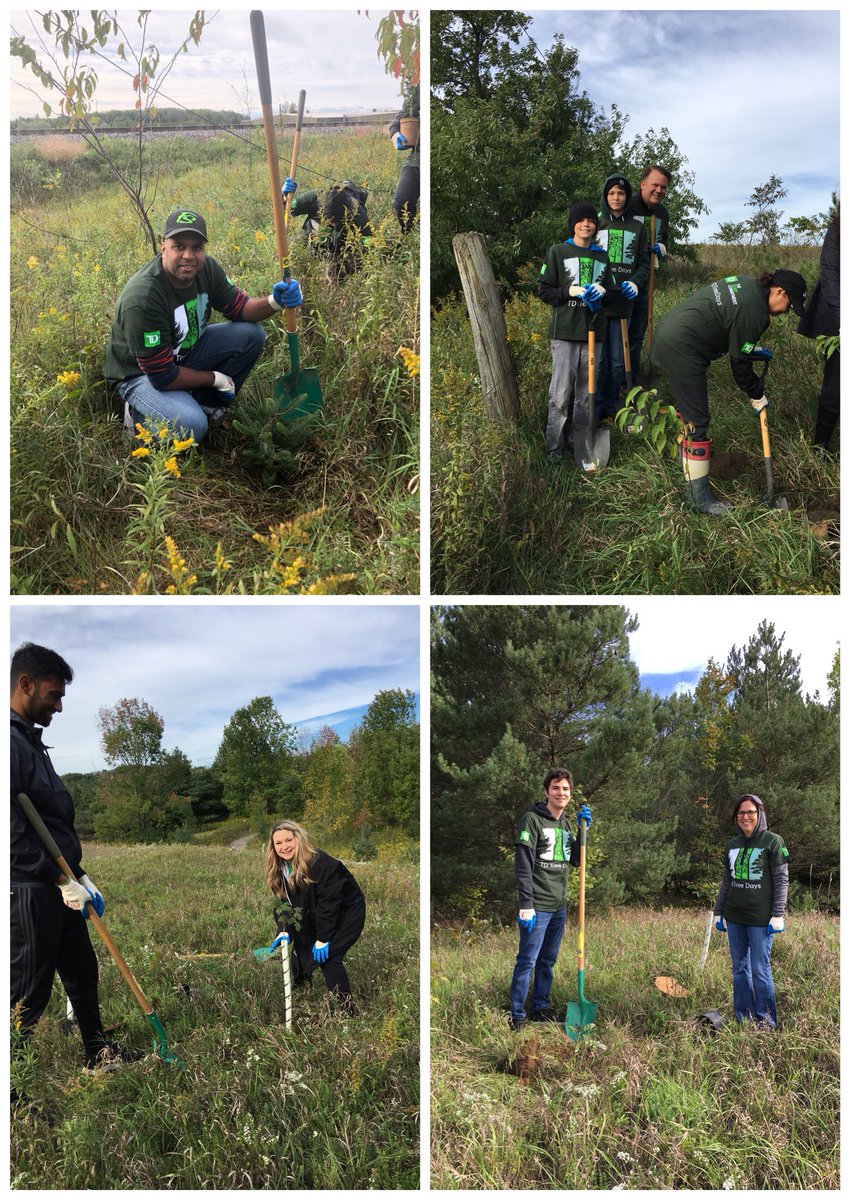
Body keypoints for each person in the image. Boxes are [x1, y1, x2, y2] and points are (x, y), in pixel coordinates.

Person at [10, 642, 143, 1085]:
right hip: (29, 888)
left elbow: (52, 821)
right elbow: (10, 835)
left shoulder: (32, 744)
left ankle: (97, 1049)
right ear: (24, 685)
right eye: (53, 695)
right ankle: (11, 1088)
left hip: (61, 883)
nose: (60, 706)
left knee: (83, 971)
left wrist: (80, 875)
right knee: (28, 990)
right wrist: (55, 877)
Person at [105, 207, 304, 444]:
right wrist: (215, 378)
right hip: (140, 374)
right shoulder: (143, 297)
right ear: (163, 247)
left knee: (251, 335)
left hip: (182, 353)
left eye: (196, 247)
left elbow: (240, 308)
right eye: (179, 246)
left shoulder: (206, 269)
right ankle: (137, 416)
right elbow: (161, 375)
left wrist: (275, 302)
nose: (189, 255)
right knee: (192, 427)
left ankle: (206, 404)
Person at [649, 269, 808, 514]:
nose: (787, 311)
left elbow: (726, 325)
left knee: (688, 411)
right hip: (683, 348)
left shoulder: (745, 284)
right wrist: (756, 393)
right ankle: (698, 499)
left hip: (670, 333)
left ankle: (687, 465)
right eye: (789, 304)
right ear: (779, 291)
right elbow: (740, 368)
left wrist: (751, 350)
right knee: (697, 421)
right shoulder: (755, 313)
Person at [509, 767, 592, 1030]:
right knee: (528, 960)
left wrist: (583, 830)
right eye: (556, 787)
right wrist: (526, 905)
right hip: (537, 906)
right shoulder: (531, 820)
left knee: (548, 960)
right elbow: (523, 865)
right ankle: (517, 1015)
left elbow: (576, 860)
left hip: (558, 906)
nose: (561, 792)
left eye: (566, 788)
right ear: (546, 791)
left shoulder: (567, 824)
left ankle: (540, 1008)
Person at [538, 202, 614, 465]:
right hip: (565, 334)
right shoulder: (558, 252)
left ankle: (579, 447)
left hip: (595, 335)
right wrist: (568, 291)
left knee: (585, 395)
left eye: (591, 221)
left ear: (596, 226)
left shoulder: (602, 257)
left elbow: (612, 294)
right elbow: (544, 290)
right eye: (581, 220)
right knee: (560, 396)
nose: (586, 225)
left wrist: (604, 293)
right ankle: (553, 450)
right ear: (573, 224)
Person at [265, 819, 366, 1013]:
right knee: (300, 946)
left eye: (289, 840)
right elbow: (284, 905)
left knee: (329, 958)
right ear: (273, 846)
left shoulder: (319, 862)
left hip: (346, 912)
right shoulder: (279, 870)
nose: (284, 847)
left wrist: (323, 938)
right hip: (315, 911)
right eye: (279, 843)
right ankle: (303, 989)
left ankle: (348, 1012)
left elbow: (330, 902)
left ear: (298, 839)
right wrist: (284, 930)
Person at [713, 794, 790, 1030]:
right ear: (736, 818)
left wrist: (778, 913)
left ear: (760, 815)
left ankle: (766, 1022)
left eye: (751, 812)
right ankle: (743, 1018)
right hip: (735, 916)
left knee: (760, 970)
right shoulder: (731, 845)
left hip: (760, 919)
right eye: (741, 813)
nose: (746, 816)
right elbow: (727, 881)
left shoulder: (773, 841)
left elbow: (782, 879)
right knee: (739, 969)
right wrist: (719, 911)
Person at [595, 173, 650, 418]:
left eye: (621, 193)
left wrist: (636, 283)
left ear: (627, 197)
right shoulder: (596, 224)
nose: (616, 198)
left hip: (623, 304)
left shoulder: (637, 227)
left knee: (618, 361)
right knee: (599, 360)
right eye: (611, 193)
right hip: (598, 303)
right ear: (605, 197)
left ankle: (611, 405)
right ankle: (594, 407)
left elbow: (644, 264)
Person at [797, 202, 840, 454]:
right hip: (837, 314)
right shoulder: (837, 229)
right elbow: (830, 274)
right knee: (836, 384)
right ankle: (820, 447)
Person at [625, 164, 672, 379]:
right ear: (643, 184)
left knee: (636, 336)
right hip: (623, 283)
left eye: (663, 187)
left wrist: (662, 247)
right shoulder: (626, 206)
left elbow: (664, 238)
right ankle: (615, 383)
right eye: (655, 185)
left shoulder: (662, 213)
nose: (659, 190)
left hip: (645, 284)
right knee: (618, 337)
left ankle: (633, 382)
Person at [287, 179, 374, 279]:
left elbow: (369, 241)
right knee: (296, 255)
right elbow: (287, 207)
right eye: (331, 221)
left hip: (341, 243)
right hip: (312, 235)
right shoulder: (313, 197)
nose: (334, 224)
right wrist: (284, 197)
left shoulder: (357, 212)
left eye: (337, 221)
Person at [388, 84, 420, 233]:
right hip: (417, 157)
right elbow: (397, 121)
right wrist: (395, 135)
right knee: (401, 202)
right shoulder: (418, 90)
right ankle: (409, 233)